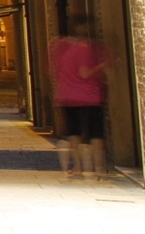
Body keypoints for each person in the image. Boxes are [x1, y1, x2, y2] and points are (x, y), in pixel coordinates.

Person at [48, 16, 112, 177]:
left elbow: (51, 71)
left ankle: (77, 166)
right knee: (95, 134)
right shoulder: (84, 48)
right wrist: (103, 65)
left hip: (66, 97)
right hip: (89, 97)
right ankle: (98, 168)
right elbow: (84, 73)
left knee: (73, 133)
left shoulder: (58, 46)